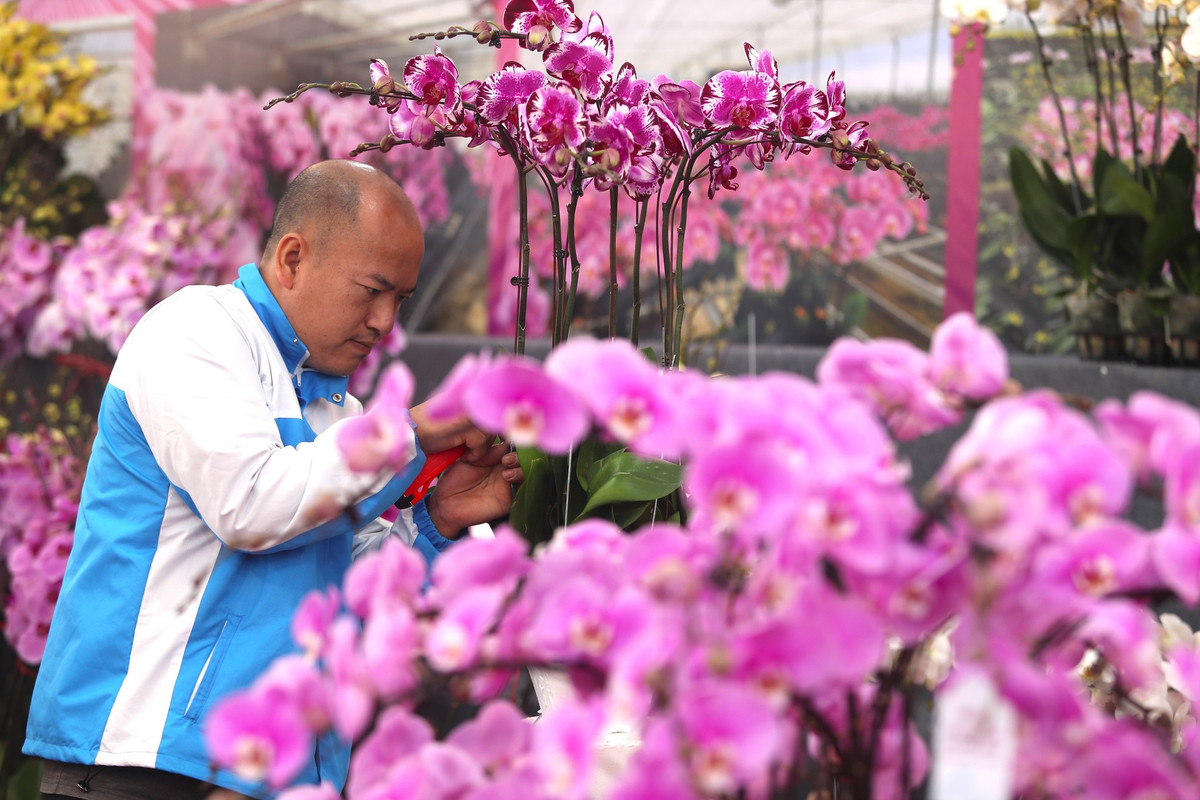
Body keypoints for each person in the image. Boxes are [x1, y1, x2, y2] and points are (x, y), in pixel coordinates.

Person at [23, 160, 521, 800]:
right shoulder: (195, 332)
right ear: (292, 259)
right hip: (141, 763)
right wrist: (413, 431)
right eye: (373, 289)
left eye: (401, 299)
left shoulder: (338, 409)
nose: (384, 322)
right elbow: (252, 505)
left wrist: (437, 523)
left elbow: (345, 592)